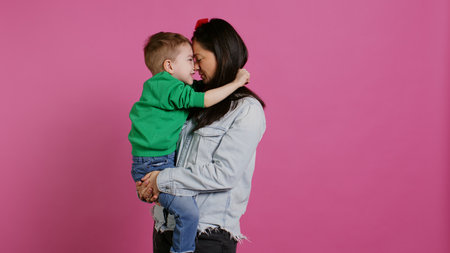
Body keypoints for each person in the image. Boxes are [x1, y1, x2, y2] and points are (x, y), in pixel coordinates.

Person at [136, 19, 266, 253]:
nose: (194, 67)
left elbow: (224, 174)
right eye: (191, 60)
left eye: (199, 58)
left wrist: (160, 180)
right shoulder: (188, 98)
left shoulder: (246, 109)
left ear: (221, 55)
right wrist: (148, 185)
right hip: (165, 228)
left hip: (207, 237)